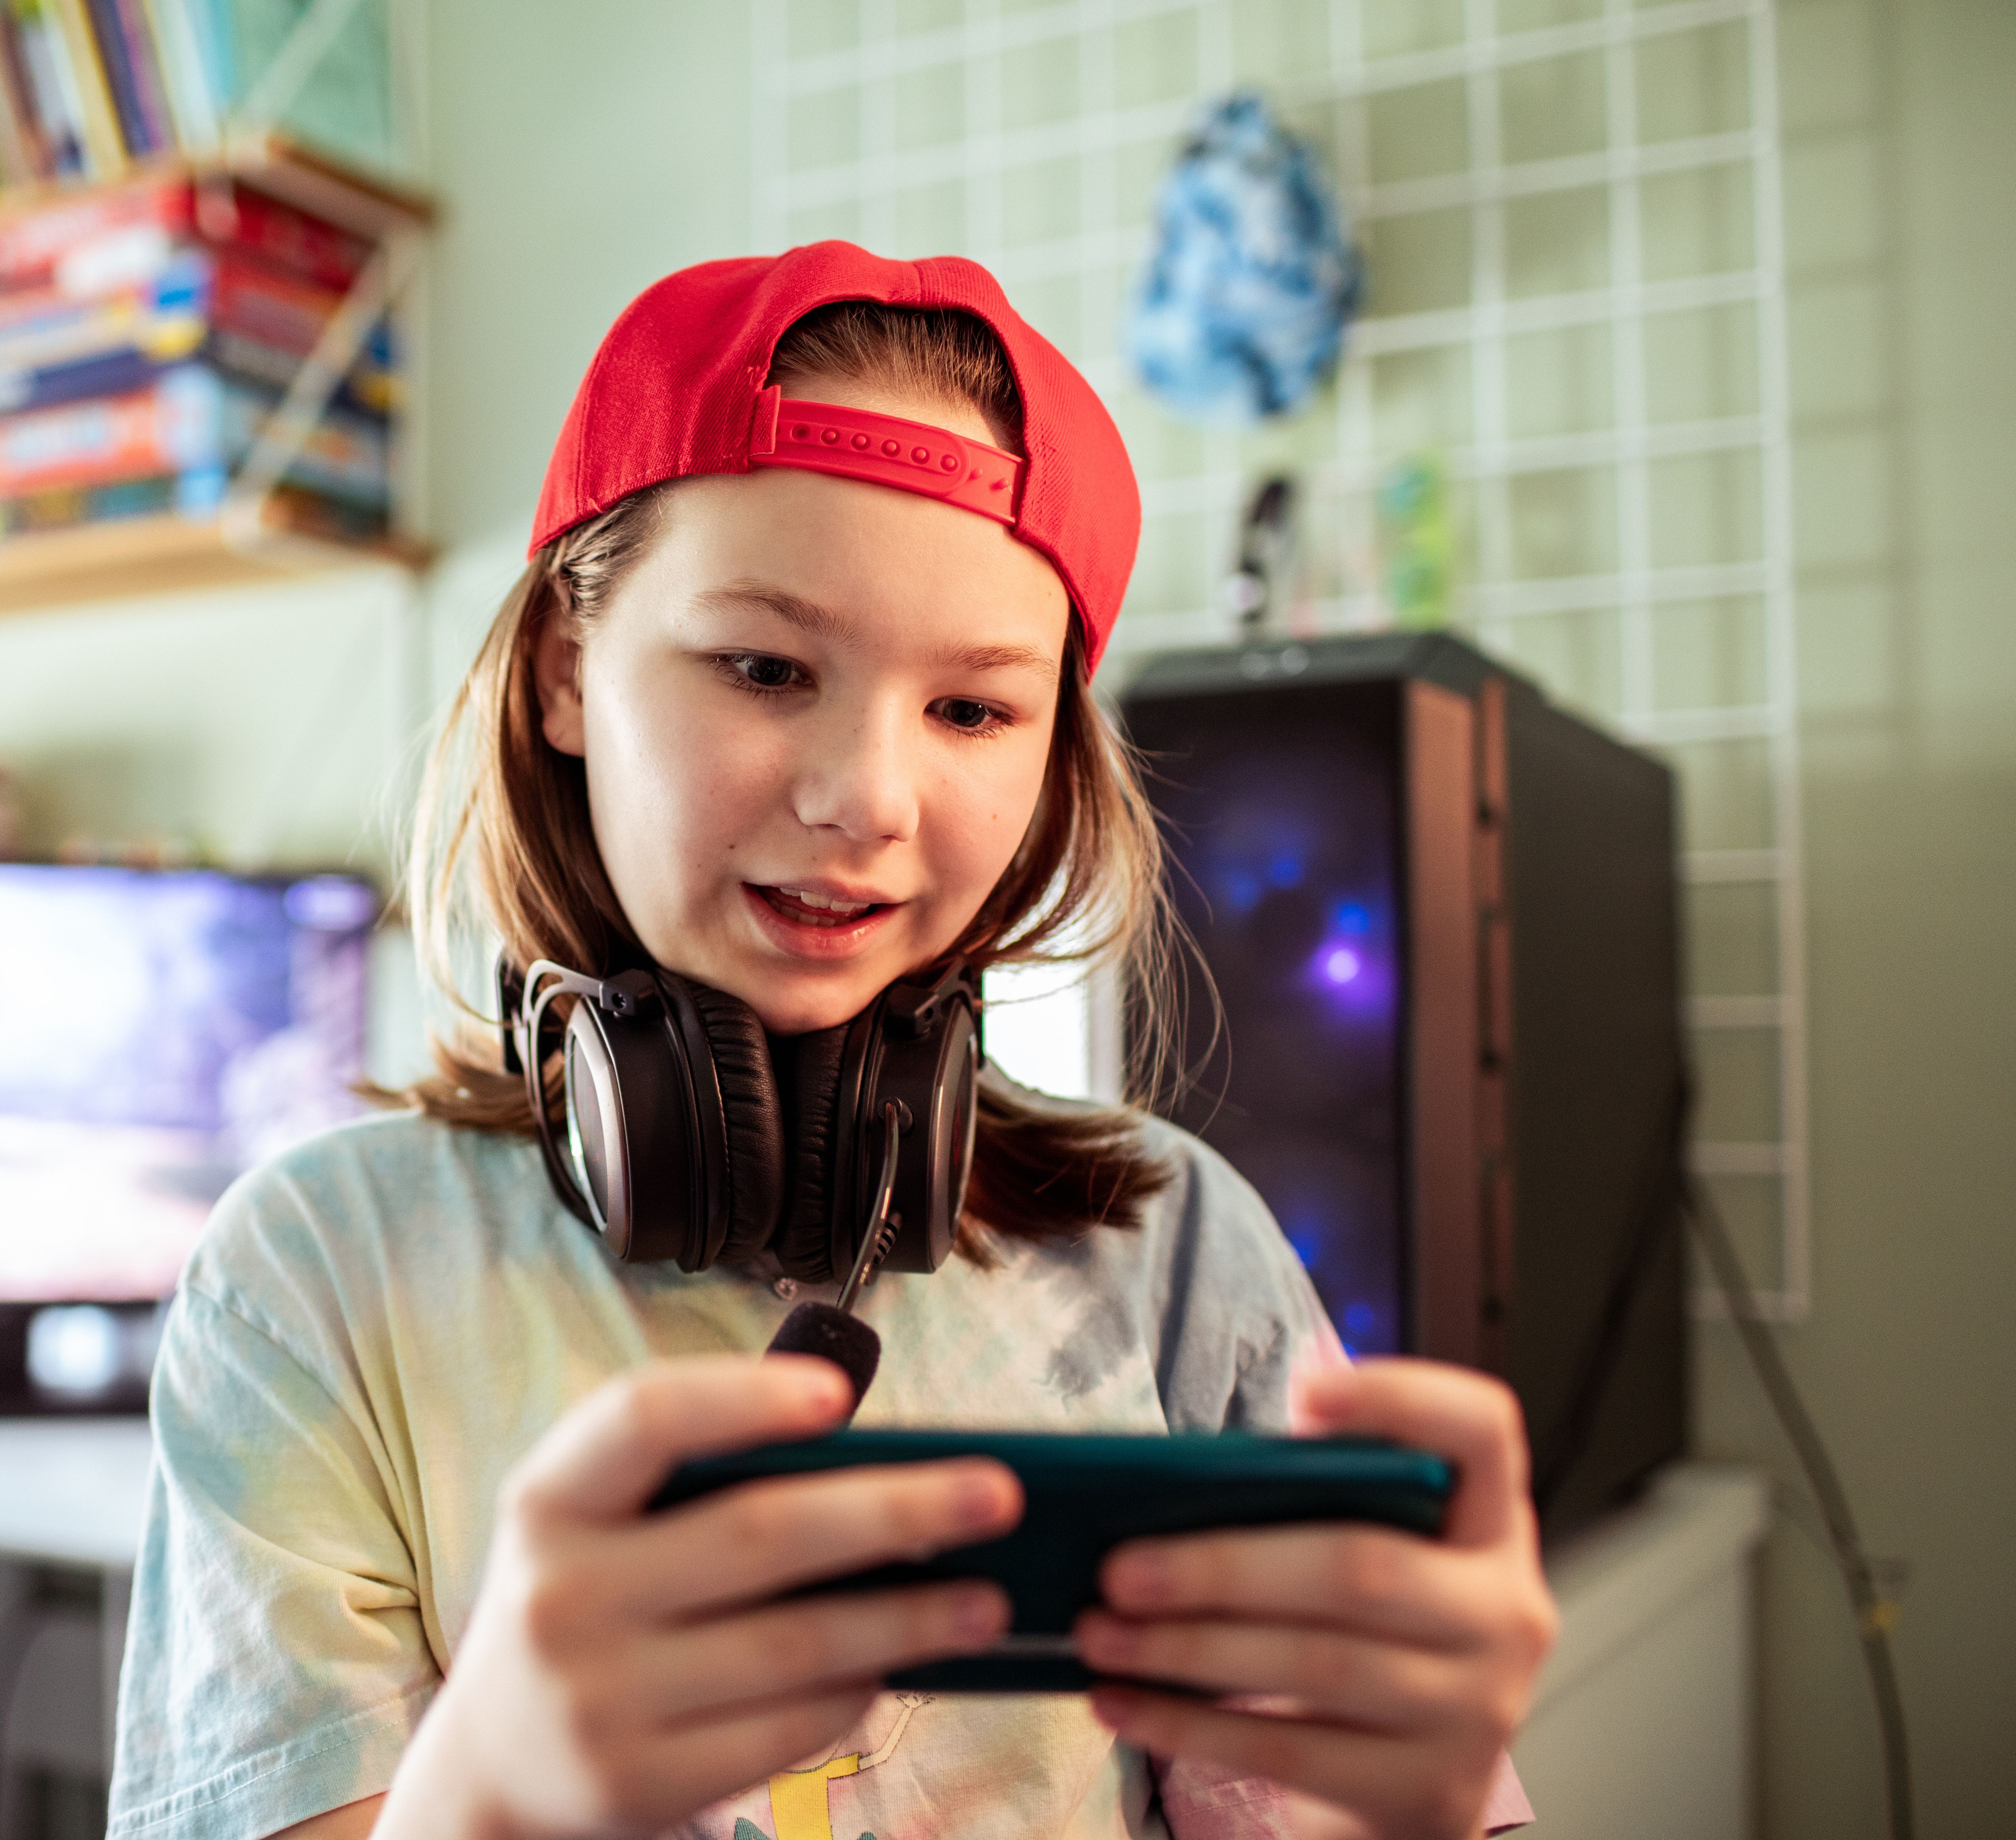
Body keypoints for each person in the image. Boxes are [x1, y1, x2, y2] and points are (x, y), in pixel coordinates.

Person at [108, 245, 1555, 1840]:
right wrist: (490, 1802)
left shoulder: (1171, 1241)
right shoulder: (316, 1272)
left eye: (973, 711)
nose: (867, 797)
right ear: (567, 670)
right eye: (764, 668)